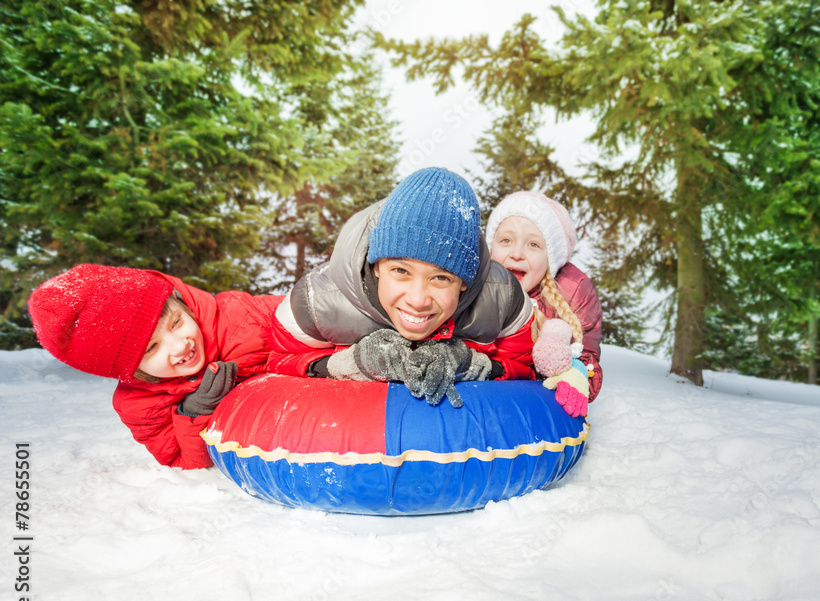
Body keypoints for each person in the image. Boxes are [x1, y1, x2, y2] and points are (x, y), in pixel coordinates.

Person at [268, 167, 536, 408]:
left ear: (464, 281)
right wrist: (349, 362)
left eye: (441, 278)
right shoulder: (317, 302)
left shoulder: (502, 298)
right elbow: (274, 363)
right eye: (400, 271)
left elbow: (529, 369)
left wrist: (471, 363)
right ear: (376, 266)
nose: (418, 300)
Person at [28, 264, 282, 469]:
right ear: (129, 370)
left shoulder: (240, 316)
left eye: (176, 322)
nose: (179, 345)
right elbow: (183, 461)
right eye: (152, 348)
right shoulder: (141, 406)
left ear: (183, 304)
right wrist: (195, 412)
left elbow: (310, 315)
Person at [486, 191, 604, 408]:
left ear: (551, 258)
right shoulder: (474, 286)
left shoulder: (572, 290)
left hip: (538, 399)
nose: (517, 253)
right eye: (505, 240)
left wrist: (576, 375)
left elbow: (587, 355)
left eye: (533, 245)